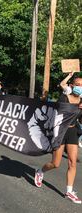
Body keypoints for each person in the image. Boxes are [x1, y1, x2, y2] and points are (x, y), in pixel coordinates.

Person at [34, 76, 82, 204]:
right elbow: (62, 85)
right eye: (77, 84)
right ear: (72, 86)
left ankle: (69, 191)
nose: (80, 87)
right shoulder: (64, 98)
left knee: (72, 162)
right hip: (60, 131)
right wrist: (69, 75)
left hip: (72, 132)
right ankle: (40, 171)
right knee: (56, 163)